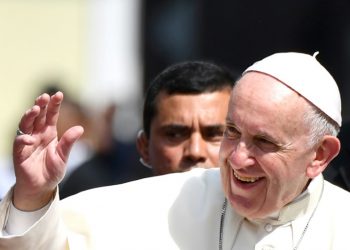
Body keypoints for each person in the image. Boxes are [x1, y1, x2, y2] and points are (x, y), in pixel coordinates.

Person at [1, 52, 350, 250]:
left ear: (320, 155)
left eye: (264, 142)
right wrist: (33, 196)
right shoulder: (161, 201)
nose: (238, 158)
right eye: (232, 132)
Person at [59, 61, 236, 198]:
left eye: (214, 134)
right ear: (144, 147)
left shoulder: (260, 232)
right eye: (174, 135)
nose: (195, 151)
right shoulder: (105, 223)